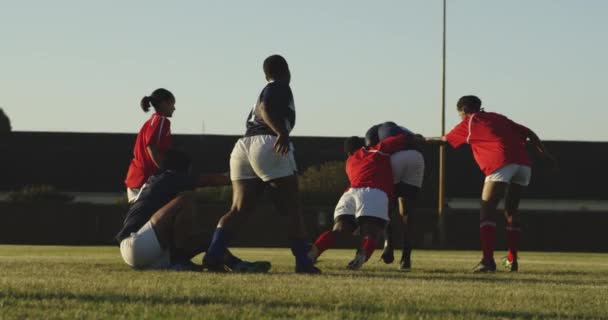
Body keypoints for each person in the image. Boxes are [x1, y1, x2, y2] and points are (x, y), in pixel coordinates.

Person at [202, 55, 319, 274]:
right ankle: (303, 262)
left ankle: (214, 254)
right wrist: (281, 132)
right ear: (286, 70)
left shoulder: (265, 89)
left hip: (243, 146)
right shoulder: (280, 86)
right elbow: (266, 108)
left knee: (238, 209)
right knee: (292, 207)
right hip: (266, 143)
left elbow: (261, 108)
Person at [429, 95, 555, 272]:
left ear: (463, 111)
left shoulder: (471, 121)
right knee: (511, 211)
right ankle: (512, 260)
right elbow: (529, 133)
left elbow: (443, 141)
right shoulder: (498, 117)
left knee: (487, 208)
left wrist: (418, 140)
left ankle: (488, 261)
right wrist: (545, 154)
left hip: (501, 162)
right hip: (523, 164)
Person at [116, 149, 270, 272]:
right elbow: (210, 180)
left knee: (206, 239)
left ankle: (236, 264)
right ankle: (179, 261)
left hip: (147, 251)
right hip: (137, 244)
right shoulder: (169, 177)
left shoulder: (157, 181)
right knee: (186, 199)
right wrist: (245, 175)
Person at [307, 133, 415, 270]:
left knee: (339, 230)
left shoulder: (349, 162)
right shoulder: (377, 150)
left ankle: (314, 251)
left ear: (349, 152)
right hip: (374, 192)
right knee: (371, 233)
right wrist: (416, 138)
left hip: (350, 194)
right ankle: (361, 256)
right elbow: (401, 138)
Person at [365, 122, 425, 271]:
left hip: (396, 158)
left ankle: (388, 246)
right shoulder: (405, 130)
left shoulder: (373, 131)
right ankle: (406, 258)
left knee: (386, 207)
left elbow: (372, 151)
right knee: (407, 212)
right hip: (417, 158)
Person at [124, 88, 175, 203]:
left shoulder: (150, 122)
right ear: (163, 104)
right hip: (145, 181)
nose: (174, 108)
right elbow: (151, 145)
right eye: (172, 104)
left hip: (136, 179)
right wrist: (165, 171)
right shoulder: (161, 121)